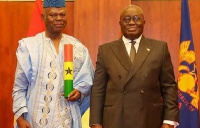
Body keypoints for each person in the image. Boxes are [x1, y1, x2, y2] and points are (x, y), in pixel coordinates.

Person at [90, 5, 179, 128]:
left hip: (149, 119)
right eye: (127, 19)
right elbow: (98, 89)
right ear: (120, 23)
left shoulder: (159, 48)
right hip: (115, 120)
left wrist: (169, 121)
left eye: (136, 18)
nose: (132, 22)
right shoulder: (106, 50)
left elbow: (169, 86)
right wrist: (95, 122)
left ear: (144, 22)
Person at [12, 0, 94, 128]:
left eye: (62, 15)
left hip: (66, 122)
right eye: (53, 15)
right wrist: (20, 118)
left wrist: (79, 91)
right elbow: (20, 86)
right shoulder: (29, 47)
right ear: (43, 17)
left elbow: (87, 80)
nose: (59, 18)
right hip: (34, 122)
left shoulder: (78, 48)